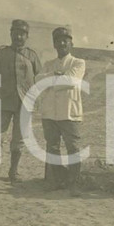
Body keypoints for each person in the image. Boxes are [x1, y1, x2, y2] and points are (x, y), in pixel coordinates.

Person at [0, 19, 42, 183]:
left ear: (26, 36)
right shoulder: (1, 53)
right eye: (15, 33)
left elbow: (37, 77)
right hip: (4, 101)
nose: (18, 37)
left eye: (22, 34)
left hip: (25, 102)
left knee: (19, 138)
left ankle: (13, 171)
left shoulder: (32, 55)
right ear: (11, 34)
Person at [35, 26, 86, 193]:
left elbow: (71, 81)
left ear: (71, 43)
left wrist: (52, 80)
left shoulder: (78, 63)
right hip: (50, 112)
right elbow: (38, 80)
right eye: (58, 41)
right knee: (52, 147)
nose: (62, 43)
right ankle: (57, 180)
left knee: (73, 148)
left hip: (69, 112)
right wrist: (55, 76)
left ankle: (74, 183)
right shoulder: (49, 64)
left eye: (65, 40)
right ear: (54, 44)